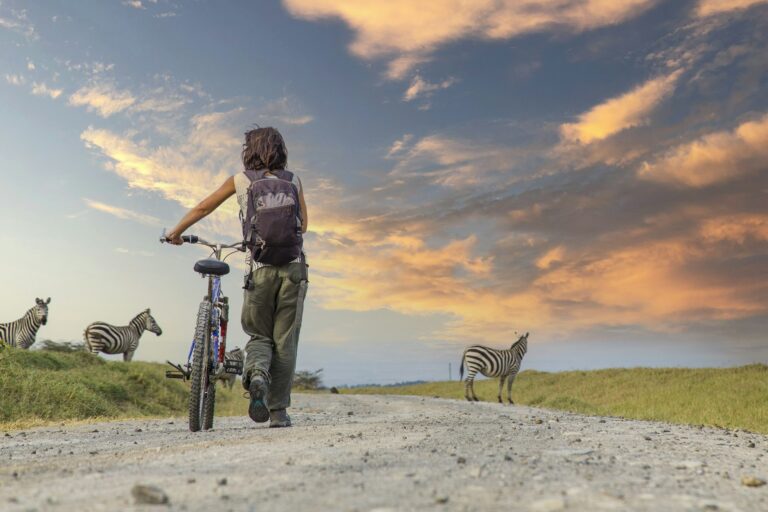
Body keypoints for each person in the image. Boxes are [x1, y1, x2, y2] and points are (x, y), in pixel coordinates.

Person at [165, 126, 308, 428]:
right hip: (294, 269)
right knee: (285, 341)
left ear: (249, 151)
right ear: (281, 150)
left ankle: (256, 373)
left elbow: (205, 206)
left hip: (259, 269)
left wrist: (176, 232)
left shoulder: (241, 180)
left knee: (259, 335)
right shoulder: (293, 180)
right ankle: (278, 412)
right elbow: (303, 225)